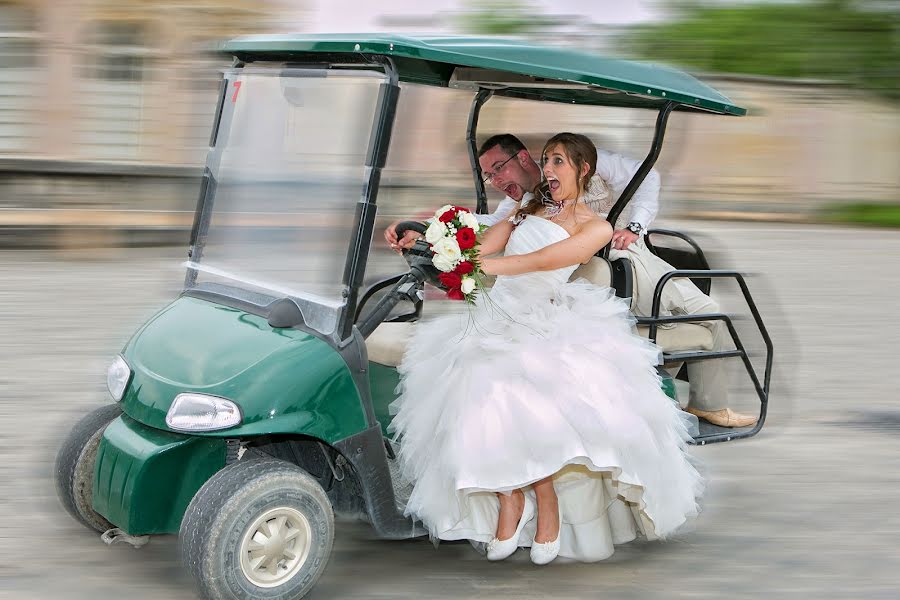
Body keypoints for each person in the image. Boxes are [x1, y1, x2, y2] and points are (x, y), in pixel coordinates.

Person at [389, 133, 703, 565]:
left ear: (583, 169)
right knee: (472, 382)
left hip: (545, 319)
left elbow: (544, 261)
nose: (549, 170)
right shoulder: (524, 209)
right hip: (497, 312)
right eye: (546, 161)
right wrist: (439, 251)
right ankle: (512, 497)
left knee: (519, 388)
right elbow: (485, 243)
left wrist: (479, 268)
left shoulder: (595, 226)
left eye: (558, 161)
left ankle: (544, 501)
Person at [386, 133, 755, 428]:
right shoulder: (528, 203)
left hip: (626, 252)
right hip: (578, 278)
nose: (496, 181)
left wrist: (635, 227)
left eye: (500, 169)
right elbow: (489, 229)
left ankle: (709, 405)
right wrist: (433, 232)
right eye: (489, 176)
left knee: (709, 314)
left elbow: (646, 178)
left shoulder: (586, 168)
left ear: (524, 160)